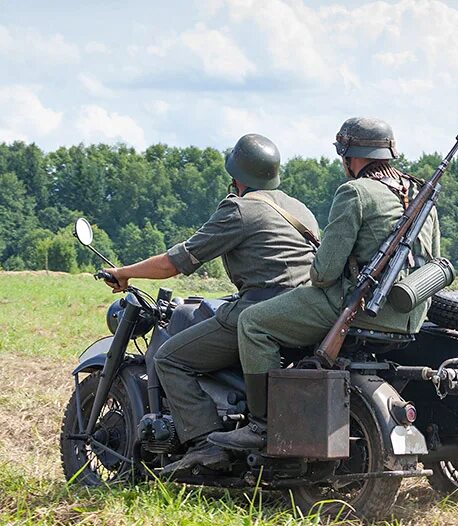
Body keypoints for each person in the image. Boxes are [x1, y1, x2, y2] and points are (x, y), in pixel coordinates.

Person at [208, 117, 440, 451]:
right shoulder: (420, 194)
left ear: (350, 157)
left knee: (253, 322)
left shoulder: (355, 193)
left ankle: (260, 425)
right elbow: (432, 260)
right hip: (408, 315)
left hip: (356, 308)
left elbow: (324, 274)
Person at [103, 133, 319, 473]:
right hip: (305, 313)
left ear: (236, 177)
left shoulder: (240, 210)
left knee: (169, 358)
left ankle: (206, 443)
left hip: (259, 311)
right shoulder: (299, 209)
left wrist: (125, 272)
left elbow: (175, 262)